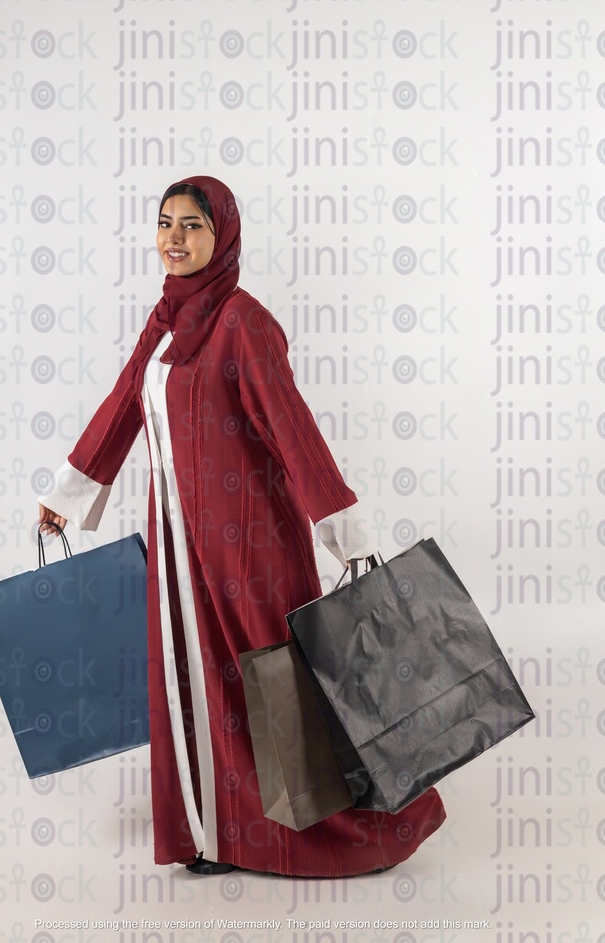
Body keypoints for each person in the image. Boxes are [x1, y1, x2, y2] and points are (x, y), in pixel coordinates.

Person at [38, 175, 445, 876]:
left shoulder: (242, 322)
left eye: (191, 225)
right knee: (195, 679)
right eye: (164, 223)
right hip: (176, 542)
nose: (173, 237)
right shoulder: (166, 319)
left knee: (268, 682)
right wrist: (72, 492)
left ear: (221, 235)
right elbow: (124, 402)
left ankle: (319, 825)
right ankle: (216, 832)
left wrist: (344, 531)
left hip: (248, 541)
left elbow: (292, 432)